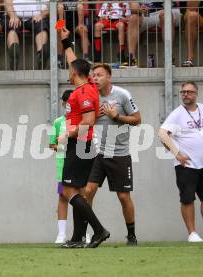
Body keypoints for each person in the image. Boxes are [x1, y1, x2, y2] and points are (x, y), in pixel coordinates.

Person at [58, 26, 110, 248]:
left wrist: (65, 134)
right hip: (80, 145)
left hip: (80, 144)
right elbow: (74, 60)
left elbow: (89, 121)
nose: (68, 71)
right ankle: (78, 238)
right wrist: (65, 40)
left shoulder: (85, 92)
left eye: (70, 70)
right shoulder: (85, 85)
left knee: (68, 190)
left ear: (75, 74)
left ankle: (99, 230)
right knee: (77, 191)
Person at [158, 81, 203, 242]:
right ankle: (192, 233)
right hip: (187, 166)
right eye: (183, 92)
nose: (185, 95)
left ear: (196, 93)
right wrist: (177, 154)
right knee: (187, 198)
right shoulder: (178, 113)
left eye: (189, 92)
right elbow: (162, 134)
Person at [86, 63, 141, 245]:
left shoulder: (122, 95)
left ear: (109, 76)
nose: (95, 78)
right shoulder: (91, 97)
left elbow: (137, 120)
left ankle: (131, 235)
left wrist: (116, 116)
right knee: (88, 192)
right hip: (99, 153)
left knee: (123, 196)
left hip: (119, 154)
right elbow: (87, 122)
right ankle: (92, 232)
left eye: (99, 75)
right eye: (93, 75)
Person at [126, 1, 181, 67]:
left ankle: (168, 56)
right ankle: (132, 58)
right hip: (147, 13)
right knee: (133, 18)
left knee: (166, 15)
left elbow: (169, 5)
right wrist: (143, 10)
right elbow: (134, 8)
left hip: (168, 10)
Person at [49, 90, 72, 244]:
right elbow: (52, 144)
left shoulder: (82, 122)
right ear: (63, 103)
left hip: (78, 164)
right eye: (67, 102)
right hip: (62, 165)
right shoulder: (58, 122)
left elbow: (84, 145)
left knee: (82, 198)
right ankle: (61, 234)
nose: (70, 105)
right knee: (63, 196)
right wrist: (62, 146)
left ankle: (82, 232)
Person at [3, 0, 50, 70]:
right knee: (12, 25)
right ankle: (14, 53)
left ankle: (41, 55)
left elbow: (51, 5)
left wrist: (42, 15)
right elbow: (7, 2)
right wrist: (13, 15)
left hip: (37, 18)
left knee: (42, 26)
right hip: (15, 17)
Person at [57, 0, 91, 68]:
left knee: (83, 30)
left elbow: (82, 3)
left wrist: (80, 24)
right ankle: (59, 59)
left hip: (77, 21)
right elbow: (57, 3)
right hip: (61, 21)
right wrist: (62, 25)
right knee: (59, 31)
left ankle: (86, 57)